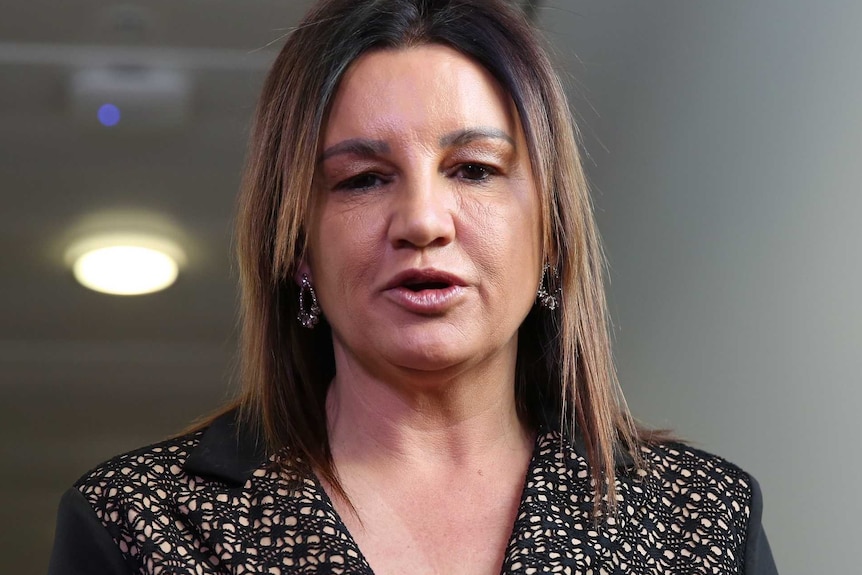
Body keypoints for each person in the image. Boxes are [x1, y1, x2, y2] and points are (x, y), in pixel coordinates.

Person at [48, 0, 778, 573]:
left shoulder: (700, 521)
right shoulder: (141, 523)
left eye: (474, 170)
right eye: (363, 179)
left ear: (552, 229)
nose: (423, 220)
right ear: (297, 244)